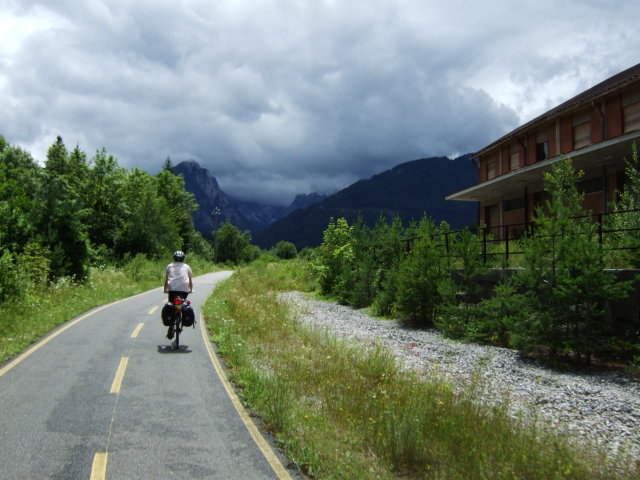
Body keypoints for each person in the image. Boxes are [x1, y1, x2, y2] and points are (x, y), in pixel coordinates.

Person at [163, 250, 193, 339]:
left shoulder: (169, 266)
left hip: (172, 290)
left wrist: (165, 289)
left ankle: (171, 326)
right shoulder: (187, 267)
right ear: (183, 259)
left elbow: (166, 280)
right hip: (184, 291)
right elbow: (190, 280)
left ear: (174, 258)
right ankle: (182, 318)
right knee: (183, 305)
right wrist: (190, 289)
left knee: (172, 305)